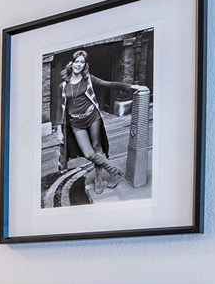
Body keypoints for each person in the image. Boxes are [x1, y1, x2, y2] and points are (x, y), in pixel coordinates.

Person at [54, 49, 148, 195]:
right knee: (88, 153)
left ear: (85, 65)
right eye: (76, 61)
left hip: (92, 118)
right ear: (71, 64)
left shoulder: (89, 79)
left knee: (97, 148)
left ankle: (98, 179)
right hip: (76, 123)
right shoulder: (63, 86)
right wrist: (59, 131)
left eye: (82, 62)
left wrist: (129, 87)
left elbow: (109, 84)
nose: (79, 64)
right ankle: (114, 170)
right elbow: (60, 110)